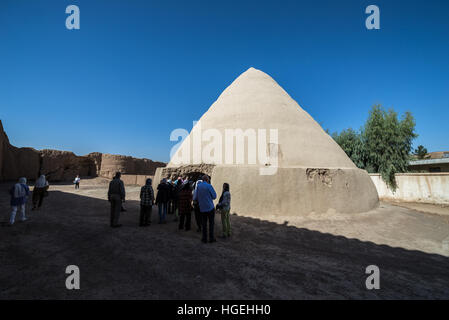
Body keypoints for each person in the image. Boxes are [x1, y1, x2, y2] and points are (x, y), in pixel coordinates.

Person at [193, 175, 217, 243]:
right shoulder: (209, 186)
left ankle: (204, 238)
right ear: (207, 180)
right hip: (210, 207)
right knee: (211, 223)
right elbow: (214, 196)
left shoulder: (198, 187)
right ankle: (211, 238)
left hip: (202, 208)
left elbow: (195, 198)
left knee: (204, 224)